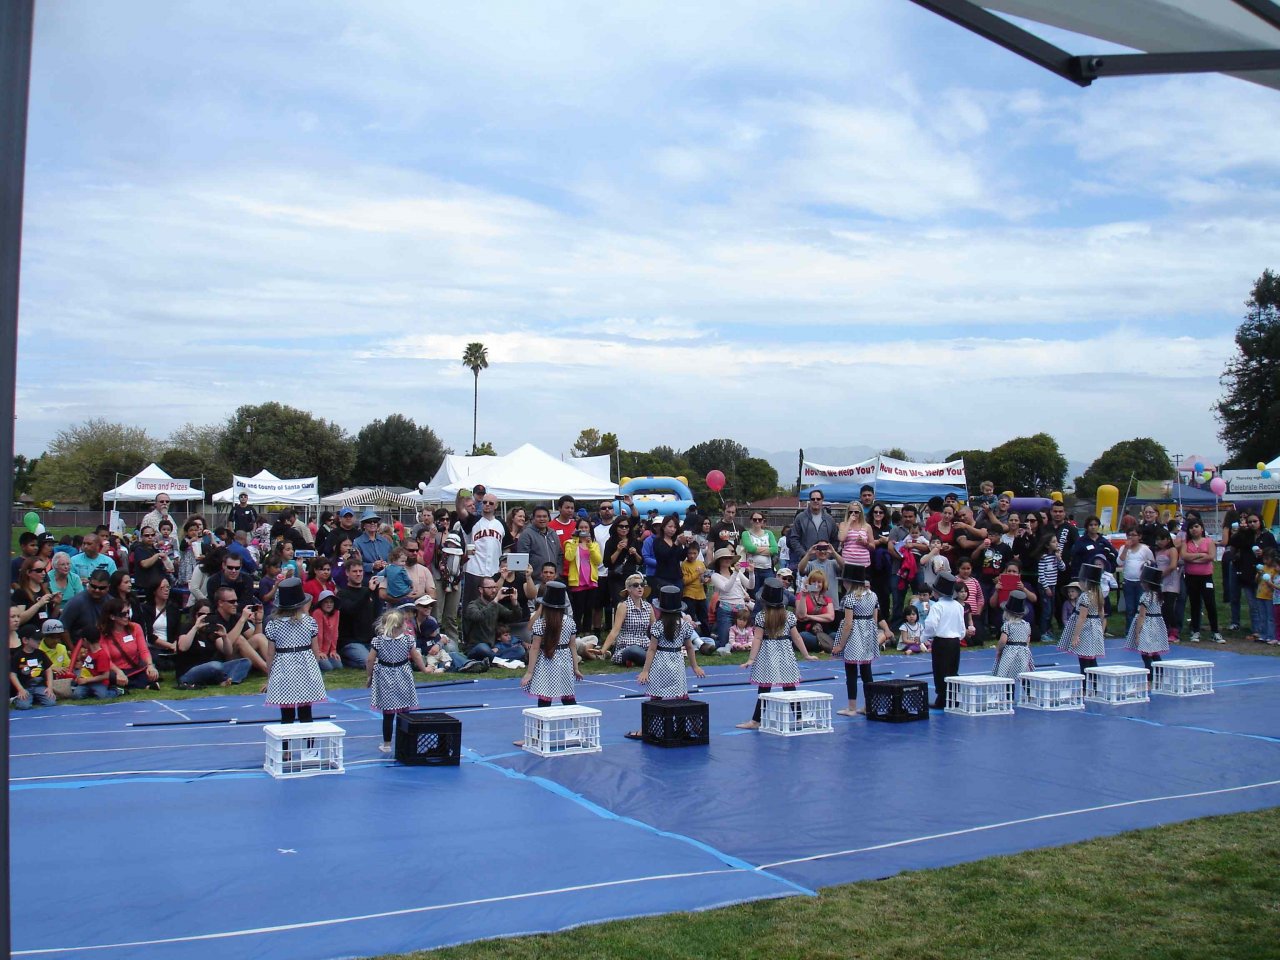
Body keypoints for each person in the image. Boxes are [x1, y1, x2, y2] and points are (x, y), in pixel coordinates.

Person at [626, 586, 706, 740]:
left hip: (660, 662)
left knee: (656, 697)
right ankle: (684, 728)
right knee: (680, 697)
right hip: (676, 661)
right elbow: (690, 647)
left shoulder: (657, 625)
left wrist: (645, 671)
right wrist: (695, 666)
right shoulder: (684, 625)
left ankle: (645, 730)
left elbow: (652, 649)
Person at [736, 578, 816, 729]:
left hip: (767, 653)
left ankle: (756, 720)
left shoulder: (761, 616)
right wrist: (806, 655)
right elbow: (797, 637)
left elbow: (758, 638)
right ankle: (799, 717)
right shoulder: (788, 615)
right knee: (789, 686)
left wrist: (751, 659)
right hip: (785, 652)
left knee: (764, 688)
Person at [263, 578, 326, 724]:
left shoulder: (274, 625)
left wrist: (270, 676)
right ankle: (308, 738)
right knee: (306, 713)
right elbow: (315, 650)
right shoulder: (309, 622)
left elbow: (271, 654)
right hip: (306, 666)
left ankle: (287, 739)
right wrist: (313, 667)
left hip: (283, 667)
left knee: (286, 714)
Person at [367, 606, 428, 754]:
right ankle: (405, 741)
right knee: (404, 710)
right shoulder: (408, 639)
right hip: (403, 675)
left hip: (385, 676)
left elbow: (370, 660)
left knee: (388, 713)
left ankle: (387, 744)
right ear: (402, 625)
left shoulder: (378, 641)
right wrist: (424, 669)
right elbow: (416, 656)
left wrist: (369, 675)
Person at [520, 582, 581, 708]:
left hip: (545, 661)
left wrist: (529, 672)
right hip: (565, 661)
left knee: (544, 698)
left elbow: (535, 648)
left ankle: (542, 721)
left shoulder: (540, 623)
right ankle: (575, 721)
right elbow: (572, 646)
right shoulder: (570, 622)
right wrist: (575, 668)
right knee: (568, 698)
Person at [832, 563, 882, 716]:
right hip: (868, 633)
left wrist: (841, 645)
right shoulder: (873, 595)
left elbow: (848, 624)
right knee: (867, 671)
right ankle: (869, 705)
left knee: (851, 671)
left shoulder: (850, 598)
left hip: (855, 635)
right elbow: (875, 618)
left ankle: (852, 707)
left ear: (849, 582)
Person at [175, 610, 252, 688]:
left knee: (245, 662)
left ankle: (231, 680)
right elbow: (183, 647)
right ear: (195, 615)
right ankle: (222, 680)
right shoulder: (187, 628)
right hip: (188, 673)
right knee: (215, 665)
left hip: (211, 670)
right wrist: (195, 627)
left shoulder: (210, 632)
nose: (204, 617)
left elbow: (228, 651)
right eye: (201, 614)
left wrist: (224, 637)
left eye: (208, 615)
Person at [922, 571, 965, 710]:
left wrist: (923, 638)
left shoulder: (937, 606)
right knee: (953, 669)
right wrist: (959, 636)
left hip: (941, 641)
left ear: (937, 592)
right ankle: (953, 698)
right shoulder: (958, 606)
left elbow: (931, 625)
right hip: (955, 642)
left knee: (940, 670)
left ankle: (942, 698)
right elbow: (962, 626)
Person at [99, 597, 161, 690]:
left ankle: (131, 684)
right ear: (112, 617)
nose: (127, 616)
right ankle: (144, 685)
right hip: (115, 669)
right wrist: (119, 672)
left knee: (151, 672)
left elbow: (144, 650)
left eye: (128, 612)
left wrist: (150, 665)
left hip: (135, 669)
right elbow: (107, 660)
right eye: (123, 614)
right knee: (111, 676)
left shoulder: (136, 627)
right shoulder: (104, 634)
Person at [461, 577, 522, 667]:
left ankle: (492, 660)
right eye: (490, 588)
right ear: (481, 590)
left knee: (520, 650)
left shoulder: (496, 606)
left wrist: (515, 603)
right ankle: (498, 660)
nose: (493, 591)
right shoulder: (472, 605)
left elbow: (515, 617)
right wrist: (496, 600)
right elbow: (478, 616)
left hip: (493, 648)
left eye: (495, 587)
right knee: (483, 648)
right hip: (475, 647)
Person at [1058, 563, 1106, 674]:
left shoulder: (1085, 596)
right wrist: (1100, 629)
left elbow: (1082, 617)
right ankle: (1094, 682)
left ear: (1086, 582)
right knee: (1092, 658)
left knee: (1084, 659)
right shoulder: (1098, 595)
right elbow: (1102, 614)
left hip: (1085, 631)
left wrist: (1076, 636)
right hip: (1094, 628)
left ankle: (1085, 683)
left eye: (1081, 581)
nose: (1079, 583)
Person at [1182, 520, 1223, 643]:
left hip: (1206, 577)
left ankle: (1215, 631)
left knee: (1210, 603)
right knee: (1194, 604)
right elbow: (1184, 556)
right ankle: (1195, 630)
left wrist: (1193, 558)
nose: (1194, 529)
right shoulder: (1186, 543)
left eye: (1196, 526)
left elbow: (1210, 556)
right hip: (1191, 577)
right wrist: (1201, 555)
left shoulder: (1208, 541)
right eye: (1191, 527)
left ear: (1202, 528)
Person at [1126, 564, 1169, 683]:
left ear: (1147, 583)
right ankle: (1160, 673)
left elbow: (1142, 615)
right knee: (1154, 651)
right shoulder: (1158, 595)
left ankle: (1151, 677)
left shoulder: (1146, 596)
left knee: (1146, 653)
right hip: (1157, 625)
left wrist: (1137, 633)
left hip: (1147, 625)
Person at [602, 573, 656, 666]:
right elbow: (615, 630)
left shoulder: (648, 606)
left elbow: (656, 628)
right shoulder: (624, 606)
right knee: (633, 650)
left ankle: (641, 660)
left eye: (642, 585)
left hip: (645, 645)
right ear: (629, 589)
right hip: (627, 646)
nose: (640, 587)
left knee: (655, 651)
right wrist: (603, 650)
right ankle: (650, 660)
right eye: (636, 585)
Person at [708, 548, 755, 651]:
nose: (727, 560)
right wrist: (735, 573)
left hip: (740, 608)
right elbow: (726, 588)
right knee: (724, 642)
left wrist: (751, 573)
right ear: (719, 561)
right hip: (725, 609)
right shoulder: (715, 576)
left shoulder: (736, 572)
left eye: (729, 558)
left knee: (744, 635)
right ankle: (709, 640)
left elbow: (750, 586)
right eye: (724, 558)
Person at [563, 518, 604, 633]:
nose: (584, 530)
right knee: (578, 609)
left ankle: (587, 632)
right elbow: (569, 557)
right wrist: (575, 540)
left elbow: (598, 561)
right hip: (577, 581)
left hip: (591, 581)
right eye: (581, 527)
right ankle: (575, 633)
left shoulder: (594, 544)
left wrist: (590, 545)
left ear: (590, 529)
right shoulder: (570, 543)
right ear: (576, 529)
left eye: (586, 527)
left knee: (588, 609)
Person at [1116, 528, 1156, 633]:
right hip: (1128, 582)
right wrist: (1126, 548)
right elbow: (1119, 562)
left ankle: (1141, 631)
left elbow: (1152, 562)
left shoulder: (1145, 549)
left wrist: (1146, 565)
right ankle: (1129, 631)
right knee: (1130, 609)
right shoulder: (1123, 548)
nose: (1131, 537)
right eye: (1129, 535)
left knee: (1140, 607)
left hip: (1141, 583)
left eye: (1134, 535)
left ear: (1139, 537)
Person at [69, 627, 123, 700]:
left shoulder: (102, 655)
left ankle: (116, 691)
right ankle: (91, 692)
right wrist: (80, 677)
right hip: (86, 681)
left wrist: (87, 680)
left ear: (85, 640)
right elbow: (86, 668)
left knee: (102, 696)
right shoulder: (88, 652)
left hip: (99, 682)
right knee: (76, 695)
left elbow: (105, 676)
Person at [786, 491, 839, 564]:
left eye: (818, 499)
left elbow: (835, 540)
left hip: (826, 562)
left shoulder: (829, 519)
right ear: (809, 501)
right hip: (806, 562)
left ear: (822, 500)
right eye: (813, 499)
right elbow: (794, 539)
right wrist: (804, 555)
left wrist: (829, 554)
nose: (815, 501)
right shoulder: (800, 518)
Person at [10, 628, 56, 709]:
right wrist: (20, 689)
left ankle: (36, 698)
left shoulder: (41, 654)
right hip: (25, 687)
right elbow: (12, 674)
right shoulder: (18, 656)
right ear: (25, 640)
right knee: (24, 705)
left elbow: (48, 670)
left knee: (51, 702)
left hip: (40, 686)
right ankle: (15, 699)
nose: (39, 641)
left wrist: (49, 687)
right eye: (36, 639)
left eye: (40, 638)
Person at [992, 591, 1033, 680]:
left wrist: (999, 651)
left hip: (1009, 653)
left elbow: (1003, 641)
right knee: (1023, 673)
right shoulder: (1026, 625)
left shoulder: (1007, 625)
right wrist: (1025, 649)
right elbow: (1027, 640)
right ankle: (1027, 688)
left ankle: (1008, 688)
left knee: (1006, 673)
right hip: (1023, 652)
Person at [794, 568, 836, 653]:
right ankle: (826, 645)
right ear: (809, 583)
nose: (816, 584)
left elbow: (831, 617)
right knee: (803, 636)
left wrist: (809, 616)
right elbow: (801, 616)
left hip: (824, 632)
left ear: (823, 584)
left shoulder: (827, 599)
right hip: (807, 631)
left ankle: (822, 645)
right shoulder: (801, 596)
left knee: (835, 635)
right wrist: (804, 596)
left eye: (819, 582)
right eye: (813, 581)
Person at [12, 556, 59, 630]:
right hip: (29, 633)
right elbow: (19, 620)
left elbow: (52, 618)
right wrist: (39, 604)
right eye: (39, 570)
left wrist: (57, 604)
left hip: (45, 633)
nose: (43, 573)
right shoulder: (21, 592)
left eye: (44, 570)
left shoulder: (46, 591)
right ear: (28, 572)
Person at [741, 510, 778, 589]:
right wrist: (767, 549)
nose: (757, 521)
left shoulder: (769, 533)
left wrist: (755, 550)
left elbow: (775, 549)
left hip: (767, 569)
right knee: (753, 592)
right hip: (752, 569)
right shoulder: (746, 534)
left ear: (763, 521)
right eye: (755, 519)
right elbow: (750, 548)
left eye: (760, 519)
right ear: (751, 521)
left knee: (768, 592)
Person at [681, 543, 710, 636]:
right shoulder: (684, 565)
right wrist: (697, 573)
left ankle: (707, 637)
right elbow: (685, 581)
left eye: (694, 553)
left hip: (701, 595)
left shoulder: (701, 563)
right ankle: (691, 639)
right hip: (689, 595)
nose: (692, 556)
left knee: (704, 618)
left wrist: (706, 580)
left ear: (698, 553)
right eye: (690, 553)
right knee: (690, 619)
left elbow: (705, 577)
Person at [311, 591, 341, 671]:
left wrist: (333, 650)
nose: (329, 604)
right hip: (317, 649)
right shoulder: (317, 612)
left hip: (328, 650)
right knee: (328, 668)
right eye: (326, 602)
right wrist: (319, 652)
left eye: (331, 602)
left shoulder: (336, 612)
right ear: (321, 603)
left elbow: (335, 633)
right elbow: (318, 634)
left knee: (338, 666)